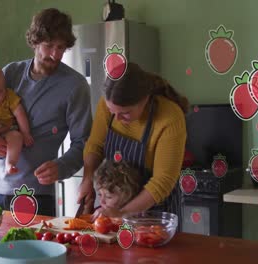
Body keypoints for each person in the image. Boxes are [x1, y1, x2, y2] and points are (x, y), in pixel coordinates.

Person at [0, 8, 92, 216]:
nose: (55, 54)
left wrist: (61, 167)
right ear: (35, 42)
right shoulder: (10, 73)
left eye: (61, 47)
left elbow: (84, 143)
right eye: (49, 45)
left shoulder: (75, 86)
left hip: (38, 195)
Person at [78, 62, 188, 219]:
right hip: (113, 208)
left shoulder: (169, 117)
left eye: (125, 113)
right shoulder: (108, 103)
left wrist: (122, 214)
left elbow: (163, 181)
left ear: (145, 99)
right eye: (111, 111)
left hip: (154, 212)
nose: (116, 118)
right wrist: (87, 179)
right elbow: (95, 146)